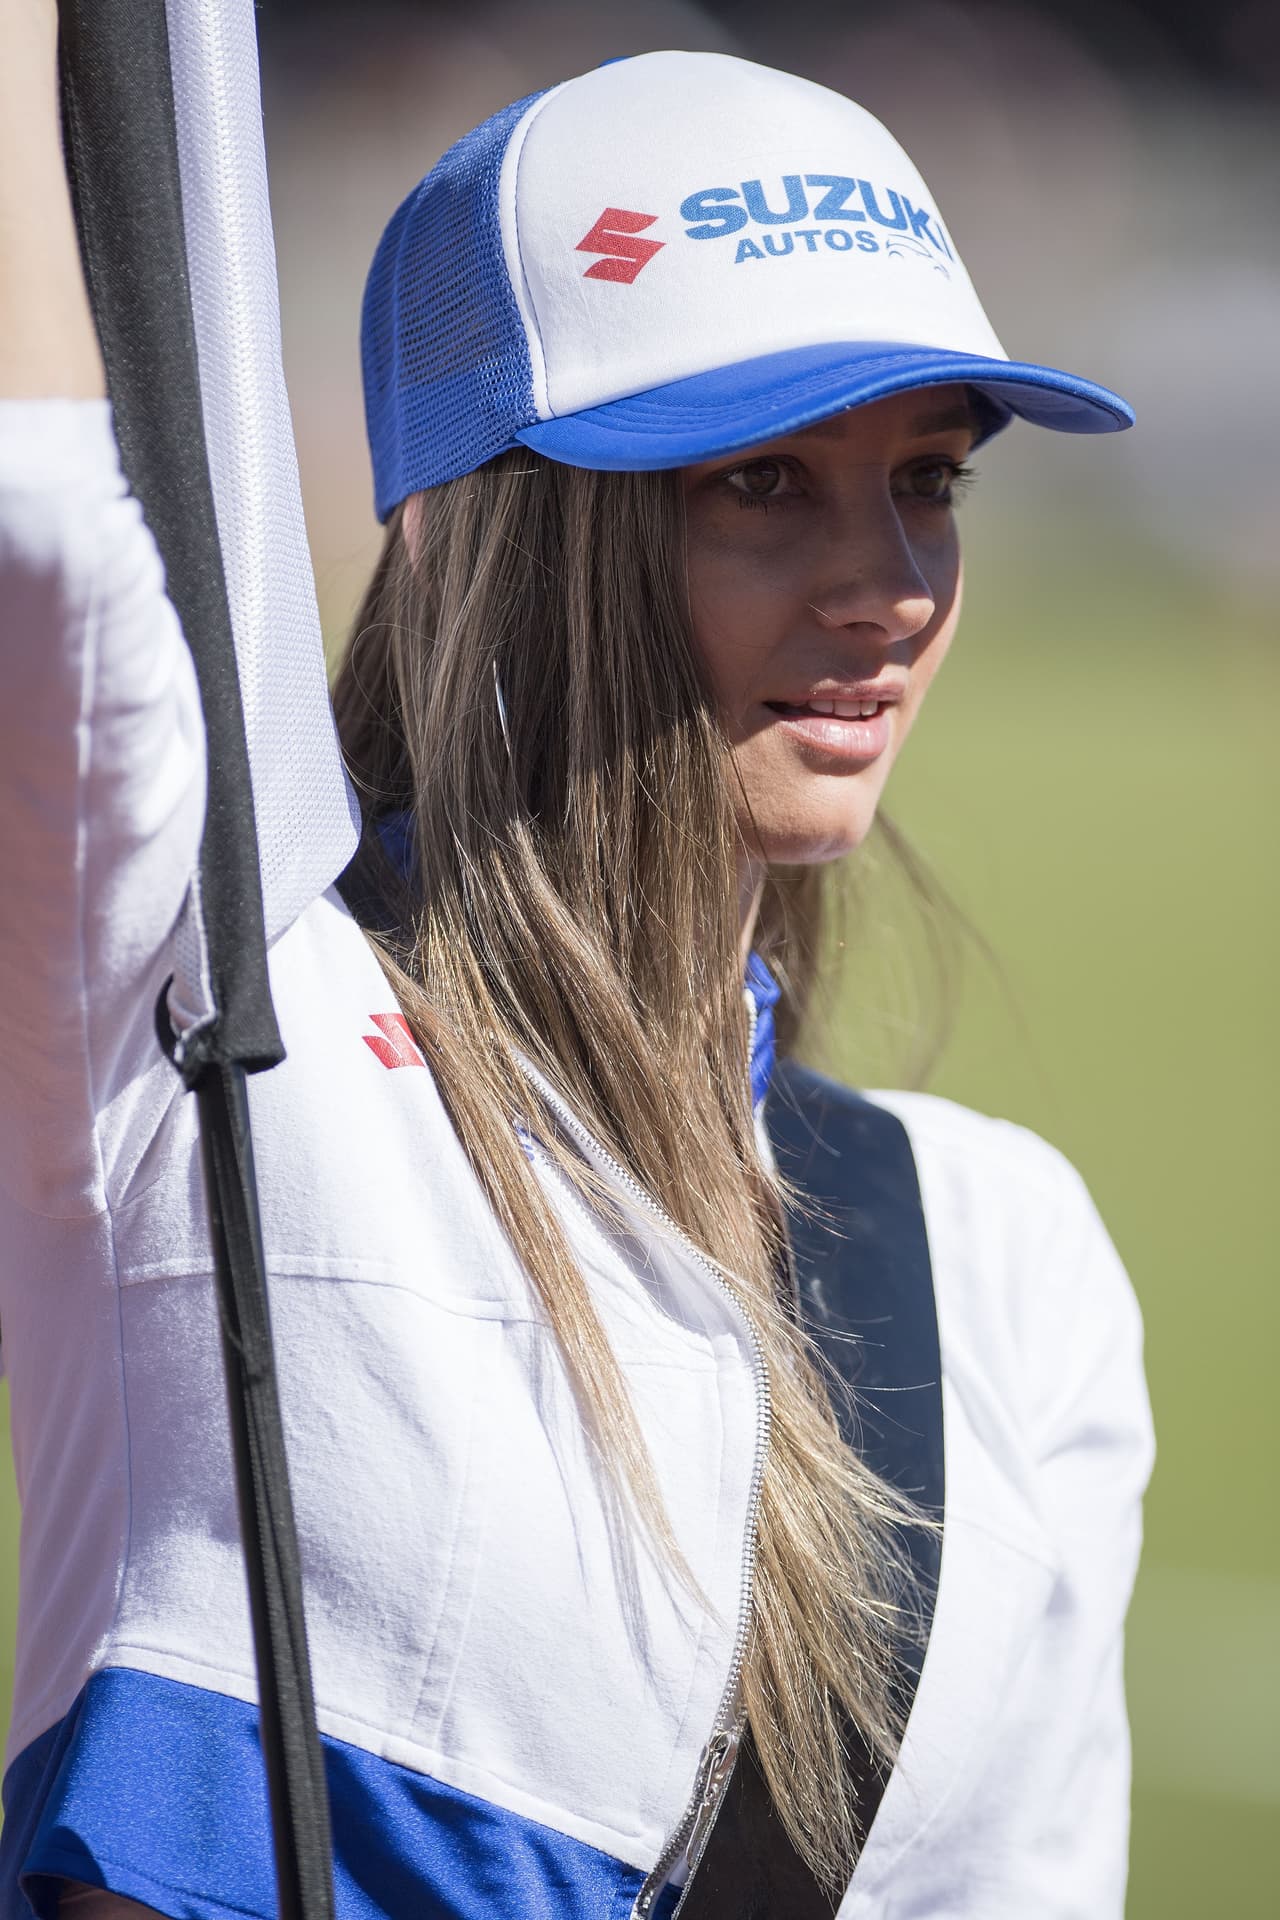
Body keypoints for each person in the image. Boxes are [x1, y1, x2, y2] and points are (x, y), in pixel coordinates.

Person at [0, 14, 1154, 1918]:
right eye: (762, 480)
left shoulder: (1007, 1255)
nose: (884, 583)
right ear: (484, 533)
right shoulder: (210, 1034)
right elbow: (43, 536)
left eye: (930, 479)